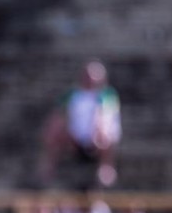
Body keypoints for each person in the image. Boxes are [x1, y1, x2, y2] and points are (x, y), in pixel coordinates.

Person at [38, 60, 122, 189]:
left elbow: (106, 116)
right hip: (74, 135)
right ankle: (48, 170)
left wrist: (98, 132)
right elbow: (59, 114)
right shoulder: (72, 94)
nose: (91, 80)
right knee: (53, 132)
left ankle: (106, 167)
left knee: (106, 134)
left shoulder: (107, 94)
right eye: (88, 76)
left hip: (98, 136)